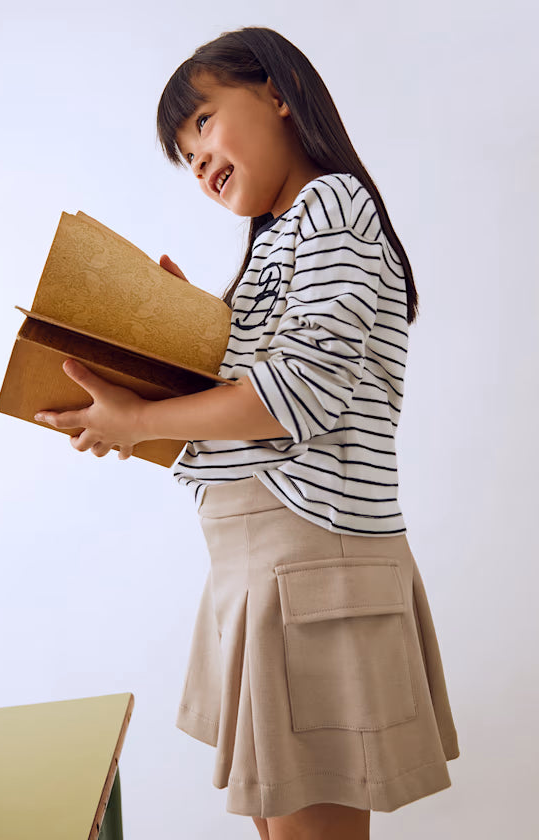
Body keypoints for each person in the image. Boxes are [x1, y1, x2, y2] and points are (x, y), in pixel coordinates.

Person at [34, 25, 460, 840]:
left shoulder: (331, 203)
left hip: (309, 563)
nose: (196, 161)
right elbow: (268, 377)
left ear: (275, 92)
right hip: (270, 569)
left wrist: (143, 420)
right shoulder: (278, 242)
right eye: (183, 156)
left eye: (200, 123)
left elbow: (292, 394)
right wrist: (184, 333)